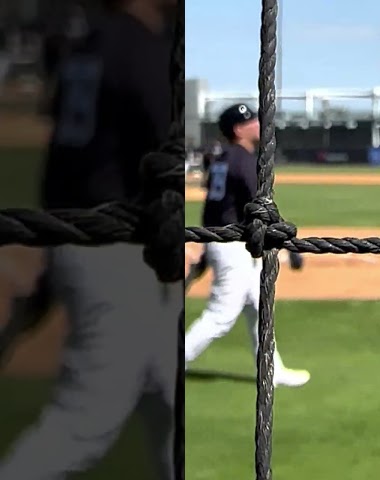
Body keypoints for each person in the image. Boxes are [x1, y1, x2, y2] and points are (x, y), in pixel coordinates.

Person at [0, 1, 181, 479]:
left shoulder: (88, 47)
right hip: (121, 252)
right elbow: (167, 161)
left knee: (173, 403)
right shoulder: (144, 51)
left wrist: (52, 249)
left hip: (85, 238)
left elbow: (61, 157)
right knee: (87, 418)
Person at [184, 103, 310, 388]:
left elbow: (213, 207)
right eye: (252, 121)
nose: (259, 124)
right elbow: (261, 209)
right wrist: (289, 246)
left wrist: (207, 247)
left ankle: (271, 371)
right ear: (239, 130)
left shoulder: (223, 158)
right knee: (221, 315)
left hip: (226, 242)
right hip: (234, 247)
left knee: (259, 307)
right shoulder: (242, 160)